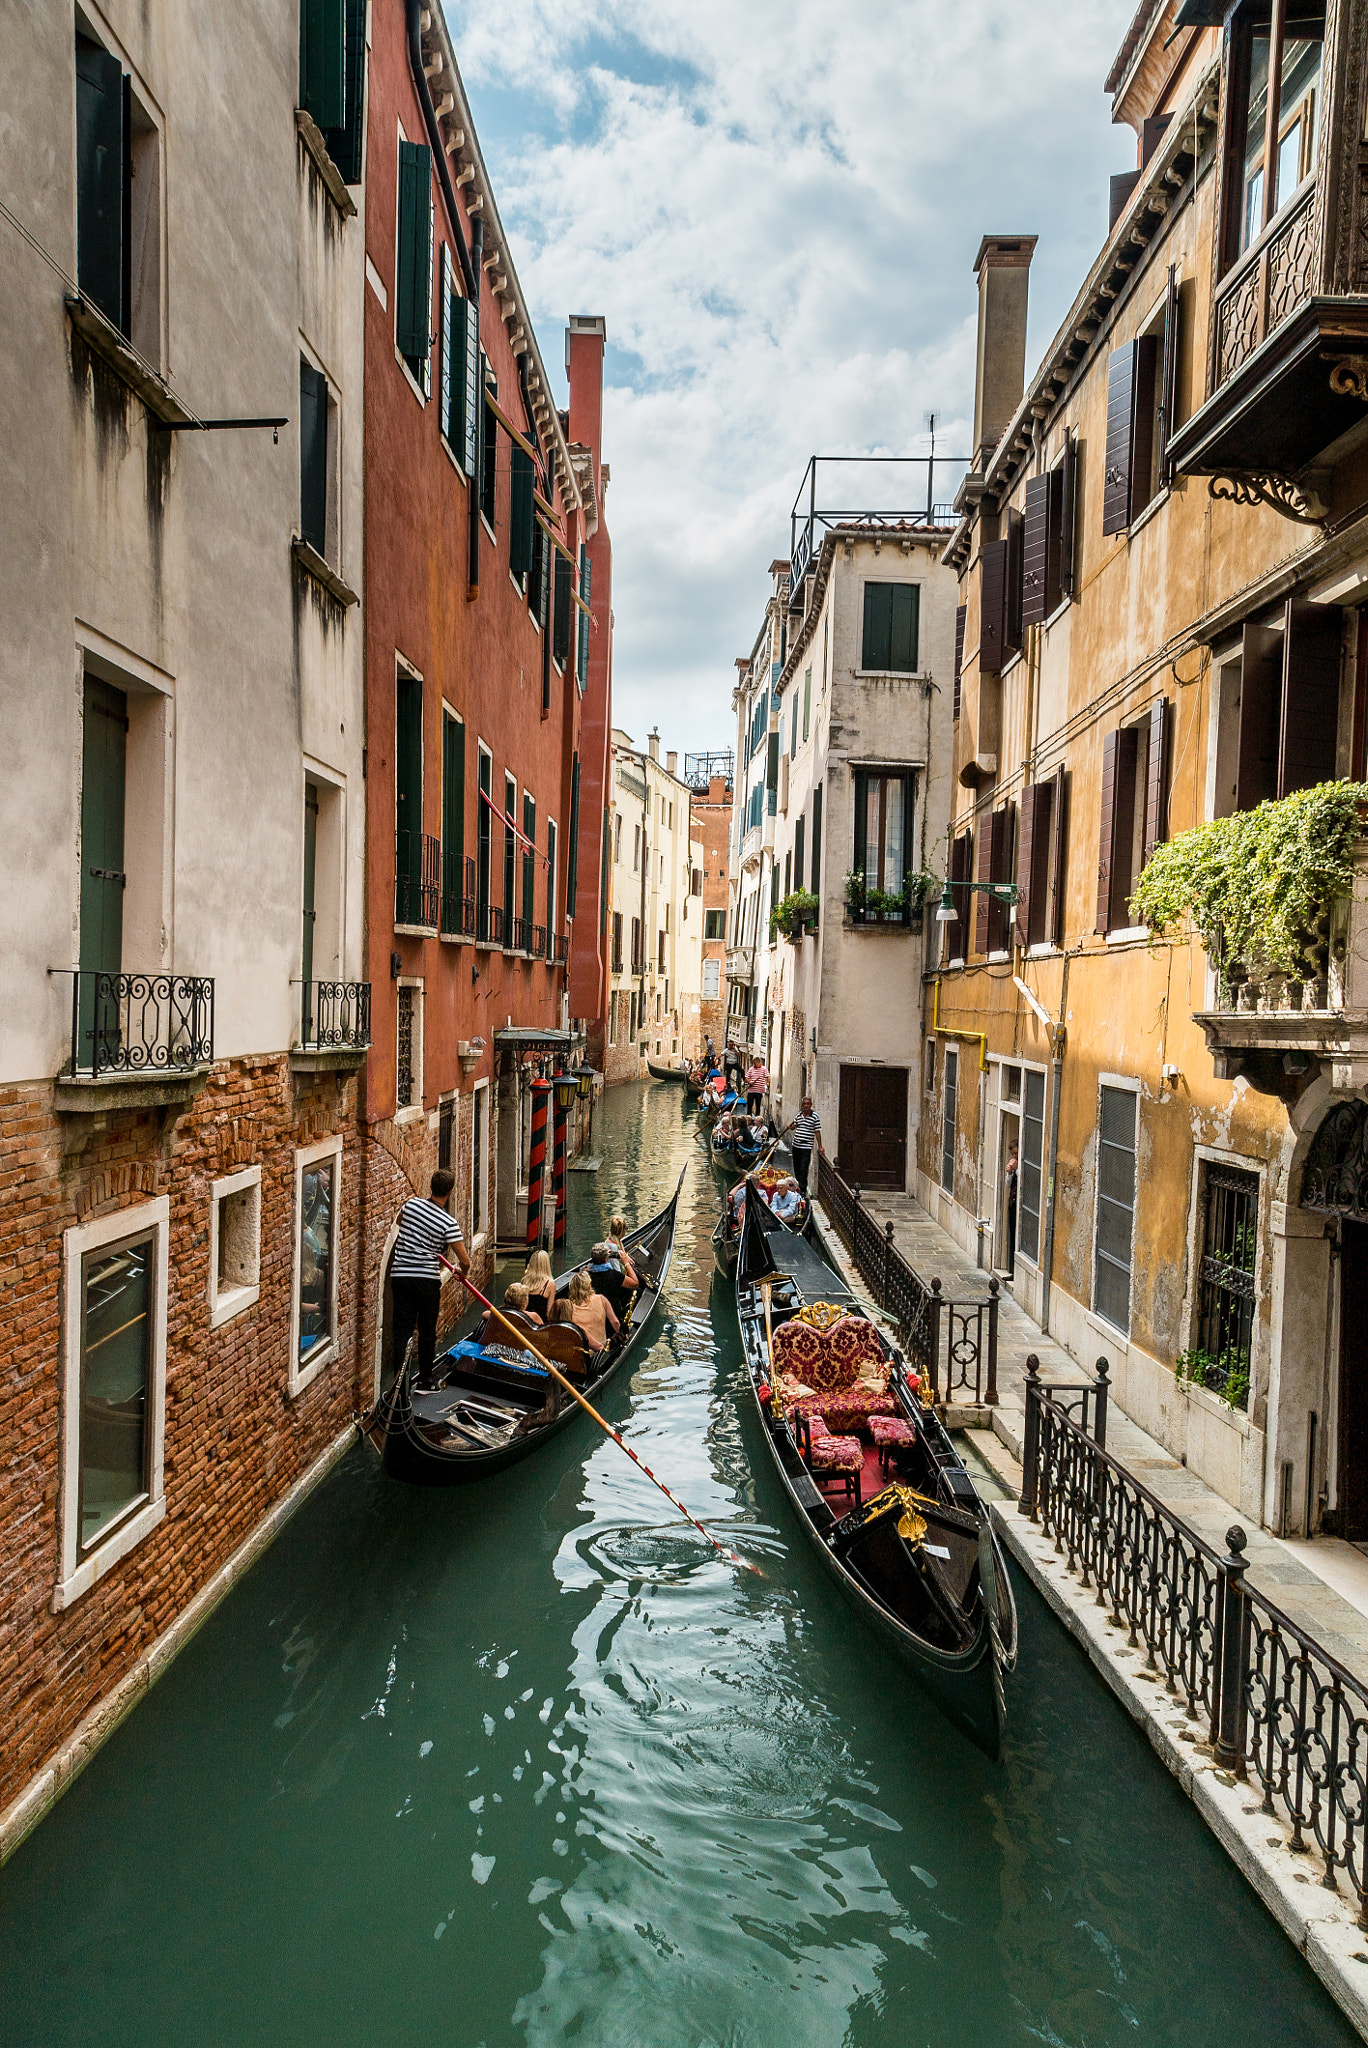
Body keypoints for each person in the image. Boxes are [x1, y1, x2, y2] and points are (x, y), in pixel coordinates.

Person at [390, 1169, 470, 1390]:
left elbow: (399, 1221)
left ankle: (400, 1382)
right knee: (427, 1330)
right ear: (450, 1192)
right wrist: (461, 1271)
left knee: (402, 1331)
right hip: (426, 1280)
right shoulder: (448, 1223)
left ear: (431, 1186)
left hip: (401, 1275)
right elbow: (465, 1260)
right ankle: (425, 1378)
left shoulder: (411, 1205)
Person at [568, 1267, 618, 1351]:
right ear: (589, 1285)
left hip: (582, 1353)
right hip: (600, 1351)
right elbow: (615, 1322)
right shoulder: (601, 1299)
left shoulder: (569, 1307)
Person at [782, 1097, 823, 1197]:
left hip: (806, 1147)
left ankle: (803, 1190)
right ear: (802, 1105)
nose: (806, 1106)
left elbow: (817, 1132)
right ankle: (797, 1187)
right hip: (796, 1145)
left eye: (808, 1104)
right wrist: (789, 1126)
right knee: (796, 1167)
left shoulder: (815, 1117)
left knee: (804, 1168)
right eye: (804, 1104)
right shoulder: (798, 1115)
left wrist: (820, 1147)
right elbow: (794, 1127)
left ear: (811, 1105)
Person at [606, 1216, 639, 1291]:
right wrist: (627, 1264)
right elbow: (617, 1272)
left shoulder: (617, 1241)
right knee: (637, 1288)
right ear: (622, 1231)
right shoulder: (612, 1247)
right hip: (617, 1283)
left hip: (619, 1276)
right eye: (625, 1229)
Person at [524, 1246, 558, 1320]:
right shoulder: (550, 1284)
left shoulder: (524, 1280)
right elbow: (549, 1312)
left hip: (525, 1321)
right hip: (540, 1325)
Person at [1004, 1142, 1019, 1280]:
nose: (1014, 1156)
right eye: (1013, 1154)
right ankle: (1011, 1269)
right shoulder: (1014, 1166)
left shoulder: (1022, 1166)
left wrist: (1017, 1169)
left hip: (1020, 1207)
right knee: (1012, 1236)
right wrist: (1010, 1172)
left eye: (1016, 1153)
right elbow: (1008, 1184)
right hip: (1012, 1205)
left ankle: (1016, 1273)